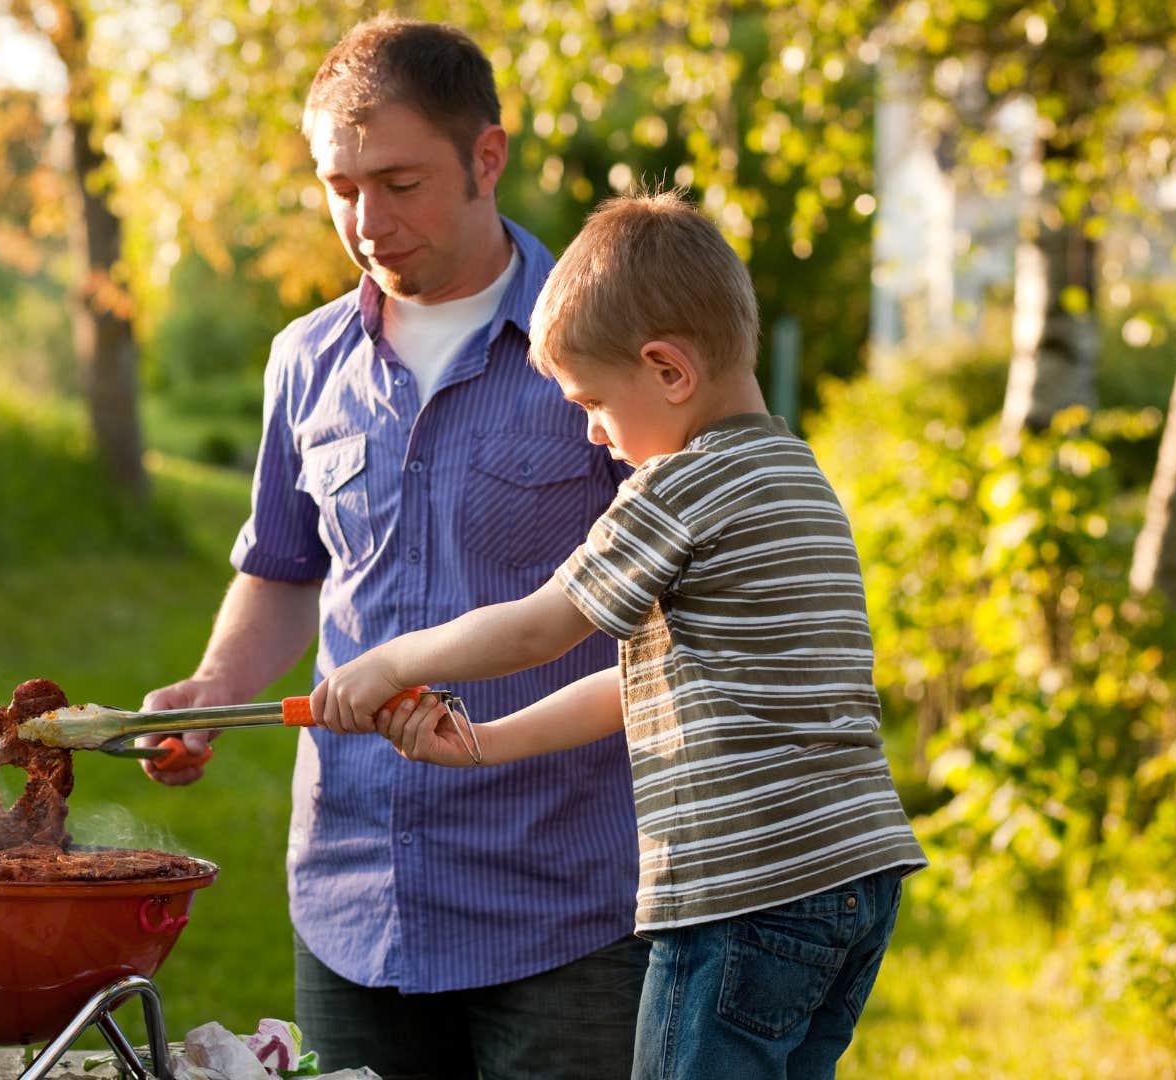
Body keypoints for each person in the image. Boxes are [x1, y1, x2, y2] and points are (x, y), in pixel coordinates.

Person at [311, 190, 930, 1079]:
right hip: (848, 882)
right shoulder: (793, 472)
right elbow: (637, 682)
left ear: (669, 372)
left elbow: (541, 628)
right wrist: (488, 743)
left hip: (741, 893)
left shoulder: (678, 487)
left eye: (594, 403)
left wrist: (391, 660)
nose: (594, 431)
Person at [137, 15, 648, 1079]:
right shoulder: (304, 360)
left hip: (565, 907)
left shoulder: (609, 349)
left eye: (401, 182)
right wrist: (214, 687)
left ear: (487, 158)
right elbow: (285, 568)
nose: (367, 219)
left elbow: (689, 595)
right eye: (341, 186)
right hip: (355, 902)